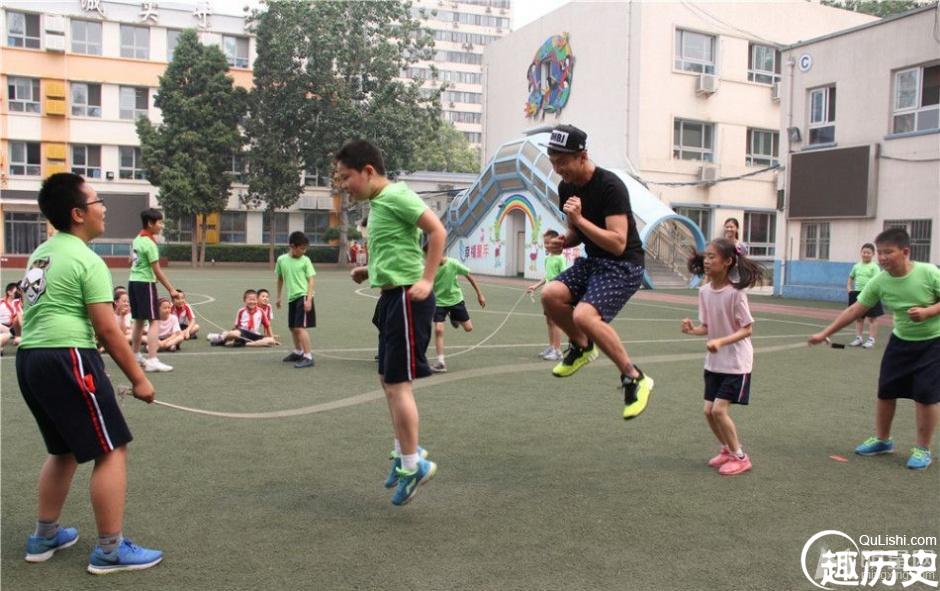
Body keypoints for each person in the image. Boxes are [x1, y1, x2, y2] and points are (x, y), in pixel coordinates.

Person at [15, 172, 162, 574]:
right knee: (111, 449)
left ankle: (44, 536)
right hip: (68, 357)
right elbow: (107, 330)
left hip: (30, 359)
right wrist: (139, 379)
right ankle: (111, 550)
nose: (104, 209)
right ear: (78, 213)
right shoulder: (86, 259)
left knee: (62, 450)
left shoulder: (40, 253)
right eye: (98, 202)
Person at [340, 139, 445, 506]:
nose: (344, 184)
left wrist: (428, 280)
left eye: (346, 176)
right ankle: (404, 455)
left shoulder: (398, 196)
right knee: (388, 381)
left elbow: (437, 232)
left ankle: (413, 465)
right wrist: (368, 270)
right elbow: (398, 249)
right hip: (389, 297)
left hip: (406, 299)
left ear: (368, 171)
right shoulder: (379, 204)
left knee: (399, 384)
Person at [539, 124, 655, 420]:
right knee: (550, 295)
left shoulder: (610, 186)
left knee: (583, 315)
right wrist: (565, 240)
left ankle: (635, 377)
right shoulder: (565, 186)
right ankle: (582, 346)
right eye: (553, 162)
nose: (558, 169)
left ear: (582, 156)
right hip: (594, 262)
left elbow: (617, 243)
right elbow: (577, 233)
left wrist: (578, 219)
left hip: (623, 265)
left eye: (562, 162)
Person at [810, 228, 940, 470]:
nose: (882, 257)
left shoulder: (929, 272)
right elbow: (855, 310)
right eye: (880, 252)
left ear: (905, 252)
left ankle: (923, 449)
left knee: (925, 395)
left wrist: (928, 312)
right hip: (901, 341)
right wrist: (825, 333)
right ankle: (882, 440)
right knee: (886, 391)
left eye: (888, 252)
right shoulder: (879, 281)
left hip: (933, 342)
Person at [681, 238, 764, 476]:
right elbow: (706, 326)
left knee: (719, 410)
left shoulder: (736, 294)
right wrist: (692, 330)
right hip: (715, 362)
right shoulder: (704, 291)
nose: (706, 261)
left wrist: (721, 341)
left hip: (737, 362)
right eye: (705, 256)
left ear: (728, 262)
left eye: (712, 257)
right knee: (708, 411)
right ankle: (727, 450)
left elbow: (747, 329)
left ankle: (741, 456)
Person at [129, 208, 178, 372]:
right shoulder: (149, 243)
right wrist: (171, 290)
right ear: (150, 223)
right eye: (160, 222)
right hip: (145, 284)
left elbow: (132, 260)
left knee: (138, 321)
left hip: (133, 282)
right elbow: (157, 270)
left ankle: (134, 355)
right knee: (154, 321)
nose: (162, 225)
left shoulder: (137, 239)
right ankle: (152, 359)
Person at [427, 246, 487, 373]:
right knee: (438, 330)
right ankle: (440, 362)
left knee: (468, 328)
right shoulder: (430, 267)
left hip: (455, 300)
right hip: (439, 302)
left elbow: (468, 275)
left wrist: (479, 294)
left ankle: (453, 317)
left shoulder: (453, 263)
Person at [275, 233, 316, 367]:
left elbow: (311, 280)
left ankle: (308, 356)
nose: (304, 251)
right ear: (292, 246)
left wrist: (309, 300)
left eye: (305, 249)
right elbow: (280, 278)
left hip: (303, 296)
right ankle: (298, 351)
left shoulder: (306, 260)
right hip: (291, 297)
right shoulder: (281, 260)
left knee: (300, 327)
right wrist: (278, 296)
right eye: (302, 248)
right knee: (292, 327)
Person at [527, 229, 568, 361]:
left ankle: (557, 350)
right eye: (545, 243)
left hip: (556, 294)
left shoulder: (561, 259)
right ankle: (551, 347)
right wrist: (536, 286)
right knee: (549, 321)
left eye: (548, 243)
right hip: (547, 293)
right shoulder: (547, 258)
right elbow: (548, 276)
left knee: (556, 322)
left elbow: (564, 276)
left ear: (556, 243)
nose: (546, 246)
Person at [846, 243, 883, 348]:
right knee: (858, 318)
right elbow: (851, 277)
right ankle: (858, 338)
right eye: (864, 252)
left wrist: (873, 293)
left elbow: (877, 281)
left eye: (868, 253)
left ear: (873, 254)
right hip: (857, 294)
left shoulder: (874, 267)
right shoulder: (856, 266)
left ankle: (871, 340)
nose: (866, 254)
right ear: (861, 253)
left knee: (872, 318)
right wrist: (849, 288)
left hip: (871, 295)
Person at [1, 281, 22, 351]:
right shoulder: (1, 302)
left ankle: (16, 337)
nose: (18, 293)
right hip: (2, 326)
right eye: (16, 291)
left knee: (17, 318)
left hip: (13, 328)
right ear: (9, 292)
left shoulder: (19, 302)